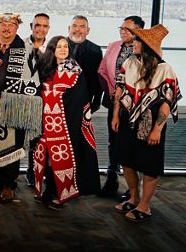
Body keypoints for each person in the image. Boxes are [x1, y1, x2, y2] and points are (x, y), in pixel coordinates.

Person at [112, 24, 180, 222]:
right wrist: (116, 115)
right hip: (128, 118)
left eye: (138, 41)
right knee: (126, 159)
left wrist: (157, 129)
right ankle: (133, 198)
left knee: (149, 165)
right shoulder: (130, 62)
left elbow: (167, 102)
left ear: (148, 45)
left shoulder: (164, 69)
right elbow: (120, 89)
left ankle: (145, 205)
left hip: (151, 122)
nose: (133, 43)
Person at [0, 13, 42, 203]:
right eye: (2, 25)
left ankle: (9, 184)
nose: (6, 29)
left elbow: (32, 82)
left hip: (14, 107)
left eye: (11, 25)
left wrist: (5, 100)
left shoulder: (27, 50)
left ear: (17, 28)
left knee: (13, 142)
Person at [35, 36, 100, 209]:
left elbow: (79, 98)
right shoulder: (44, 67)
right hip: (44, 120)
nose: (63, 49)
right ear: (52, 50)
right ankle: (48, 190)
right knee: (47, 157)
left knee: (62, 157)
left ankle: (58, 193)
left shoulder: (75, 71)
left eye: (66, 46)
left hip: (65, 122)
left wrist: (54, 101)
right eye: (59, 46)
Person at [97, 15, 145, 197]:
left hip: (137, 106)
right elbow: (102, 70)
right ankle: (112, 179)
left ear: (138, 31)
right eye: (121, 28)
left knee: (132, 144)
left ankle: (133, 190)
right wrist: (111, 90)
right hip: (115, 102)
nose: (122, 31)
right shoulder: (113, 46)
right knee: (113, 142)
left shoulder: (145, 49)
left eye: (127, 29)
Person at [25, 12, 50, 187]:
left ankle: (37, 172)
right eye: (37, 25)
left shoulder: (53, 47)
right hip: (24, 99)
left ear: (48, 28)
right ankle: (23, 173)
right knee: (24, 138)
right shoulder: (21, 45)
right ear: (31, 26)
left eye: (44, 25)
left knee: (40, 139)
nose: (40, 28)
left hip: (45, 101)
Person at [67, 15, 103, 113]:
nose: (77, 29)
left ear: (88, 30)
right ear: (69, 28)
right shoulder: (57, 45)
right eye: (74, 26)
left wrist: (97, 100)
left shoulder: (96, 50)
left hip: (85, 98)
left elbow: (98, 77)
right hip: (59, 97)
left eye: (82, 26)